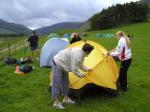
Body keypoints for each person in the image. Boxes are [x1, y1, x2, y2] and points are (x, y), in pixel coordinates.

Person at [51, 43, 94, 109]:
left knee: (65, 82)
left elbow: (80, 65)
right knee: (57, 83)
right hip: (57, 63)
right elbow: (74, 69)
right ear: (87, 51)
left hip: (64, 65)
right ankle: (56, 103)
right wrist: (81, 75)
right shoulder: (78, 55)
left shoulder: (81, 54)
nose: (90, 53)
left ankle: (66, 99)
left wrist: (87, 69)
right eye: (90, 51)